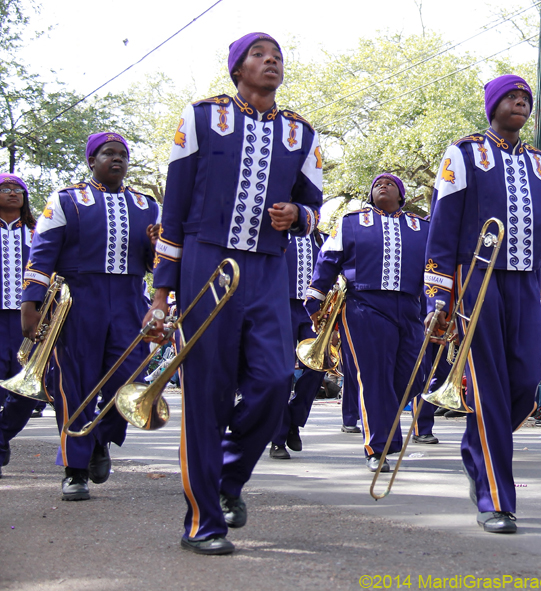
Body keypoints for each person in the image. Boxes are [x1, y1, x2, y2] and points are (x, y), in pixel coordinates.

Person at [145, 33, 323, 555]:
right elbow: (173, 207)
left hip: (269, 271)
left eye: (278, 57)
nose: (271, 62)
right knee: (208, 393)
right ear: (237, 68)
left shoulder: (301, 133)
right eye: (259, 55)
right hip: (205, 262)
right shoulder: (200, 117)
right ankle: (202, 522)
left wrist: (299, 216)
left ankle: (227, 476)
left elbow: (312, 210)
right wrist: (162, 292)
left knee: (273, 382)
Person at [424, 74, 541, 533]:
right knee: (487, 387)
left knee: (525, 382)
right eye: (511, 97)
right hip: (476, 281)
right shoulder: (463, 152)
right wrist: (439, 294)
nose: (520, 104)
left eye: (526, 99)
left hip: (526, 282)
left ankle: (475, 448)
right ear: (492, 106)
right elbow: (442, 227)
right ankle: (495, 497)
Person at [22, 133, 160, 500]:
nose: (117, 159)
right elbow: (42, 255)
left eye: (123, 155)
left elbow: (158, 263)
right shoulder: (66, 200)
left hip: (130, 300)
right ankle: (74, 469)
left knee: (131, 380)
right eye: (108, 153)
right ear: (91, 160)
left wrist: (155, 251)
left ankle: (101, 437)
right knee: (75, 386)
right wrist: (30, 304)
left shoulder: (147, 206)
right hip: (78, 302)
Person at [306, 174, 429, 473]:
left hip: (411, 307)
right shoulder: (349, 222)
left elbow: (434, 268)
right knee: (373, 377)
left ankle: (383, 426)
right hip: (364, 305)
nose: (381, 186)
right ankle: (379, 447)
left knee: (416, 375)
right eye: (376, 184)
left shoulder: (422, 227)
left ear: (402, 194)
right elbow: (328, 259)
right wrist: (315, 300)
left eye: (389, 184)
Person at [269, 232, 327, 460]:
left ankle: (294, 419)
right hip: (279, 307)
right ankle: (278, 437)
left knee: (318, 367)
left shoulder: (321, 239)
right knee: (281, 373)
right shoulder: (276, 234)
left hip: (312, 312)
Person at [0, 174, 37, 478]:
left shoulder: (38, 233)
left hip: (28, 321)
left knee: (26, 389)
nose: (12, 193)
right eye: (5, 189)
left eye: (18, 190)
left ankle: (0, 437)